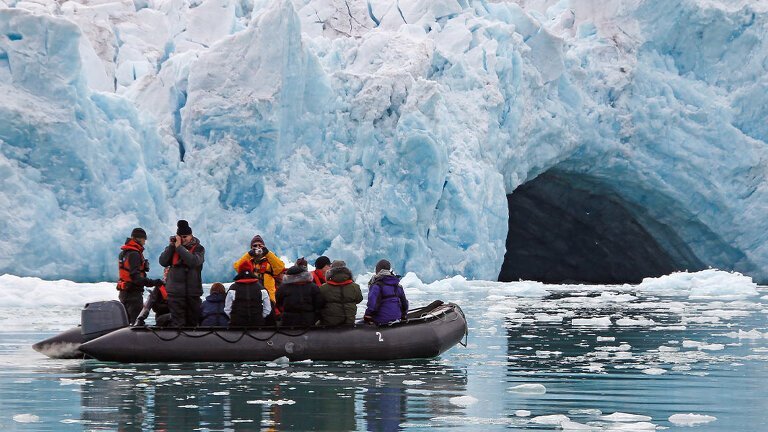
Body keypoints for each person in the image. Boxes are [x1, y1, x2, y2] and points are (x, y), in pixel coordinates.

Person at [159, 220, 205, 327]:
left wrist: (179, 248)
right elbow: (163, 261)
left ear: (191, 236)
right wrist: (172, 246)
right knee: (178, 323)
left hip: (193, 293)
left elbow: (193, 261)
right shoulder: (172, 248)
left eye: (185, 237)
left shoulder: (199, 248)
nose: (183, 239)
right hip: (175, 294)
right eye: (181, 237)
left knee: (193, 323)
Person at [117, 227, 163, 324]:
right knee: (136, 323)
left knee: (126, 323)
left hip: (124, 293)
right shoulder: (134, 254)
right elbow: (136, 278)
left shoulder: (124, 253)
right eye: (144, 239)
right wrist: (154, 282)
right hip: (133, 295)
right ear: (139, 238)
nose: (145, 242)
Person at [232, 235, 285, 306]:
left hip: (269, 300)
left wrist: (268, 254)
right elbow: (237, 267)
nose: (258, 248)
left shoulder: (270, 261)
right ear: (251, 248)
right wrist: (248, 255)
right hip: (253, 300)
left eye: (260, 245)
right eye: (255, 246)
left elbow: (280, 268)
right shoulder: (248, 262)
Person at [225, 260, 272, 326]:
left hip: (237, 325)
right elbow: (267, 309)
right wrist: (259, 317)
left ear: (239, 271)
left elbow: (227, 309)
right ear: (251, 270)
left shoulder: (233, 288)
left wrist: (234, 318)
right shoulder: (261, 288)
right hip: (257, 325)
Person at [318, 260, 363, 326]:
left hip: (330, 322)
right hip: (349, 321)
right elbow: (359, 299)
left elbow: (319, 303)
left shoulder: (324, 288)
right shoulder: (355, 287)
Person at [364, 259, 409, 325]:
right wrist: (403, 315)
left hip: (381, 319)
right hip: (397, 318)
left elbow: (372, 305)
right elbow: (405, 304)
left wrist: (368, 315)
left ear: (378, 270)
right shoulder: (397, 285)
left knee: (362, 323)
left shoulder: (377, 286)